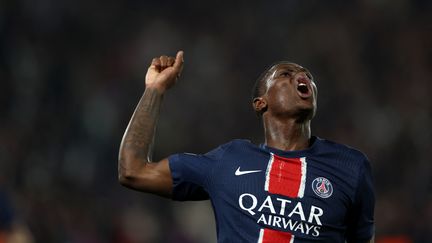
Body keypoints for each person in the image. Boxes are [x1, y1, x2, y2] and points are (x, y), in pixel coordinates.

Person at [118, 51, 375, 242]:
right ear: (260, 103)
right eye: (285, 74)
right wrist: (155, 89)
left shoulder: (350, 167)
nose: (301, 77)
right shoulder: (228, 161)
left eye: (307, 76)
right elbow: (133, 171)